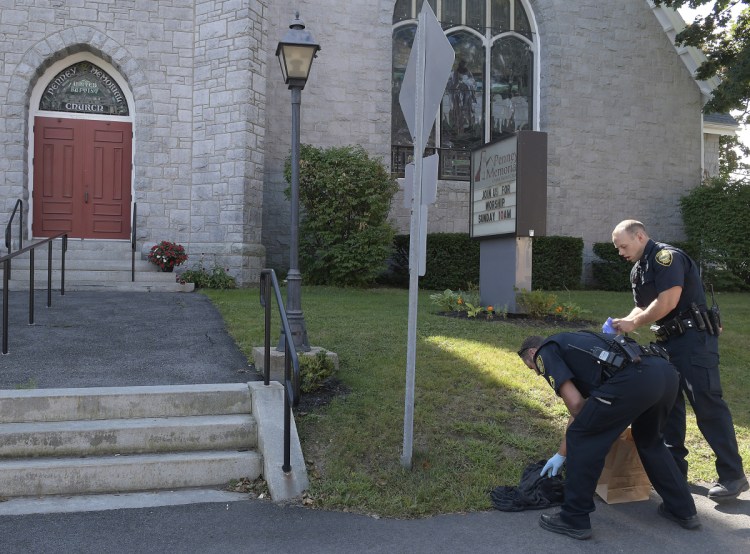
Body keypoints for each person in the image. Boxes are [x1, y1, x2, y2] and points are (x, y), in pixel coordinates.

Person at [611, 219, 748, 501]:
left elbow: (667, 302)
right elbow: (642, 305)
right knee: (670, 406)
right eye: (617, 248)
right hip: (668, 341)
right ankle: (675, 473)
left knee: (707, 403)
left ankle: (733, 475)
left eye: (623, 246)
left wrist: (633, 325)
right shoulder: (639, 268)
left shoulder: (666, 258)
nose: (620, 252)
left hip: (693, 340)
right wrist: (625, 320)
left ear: (639, 236)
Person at [518, 331, 700, 540]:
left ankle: (574, 518)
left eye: (533, 368)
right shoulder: (574, 341)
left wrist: (589, 435)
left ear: (532, 353)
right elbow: (582, 410)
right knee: (651, 441)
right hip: (664, 373)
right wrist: (562, 453)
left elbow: (577, 406)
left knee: (583, 437)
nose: (538, 373)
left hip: (636, 379)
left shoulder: (545, 351)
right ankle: (683, 510)